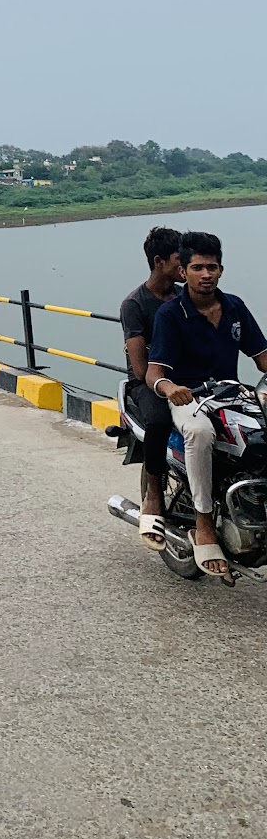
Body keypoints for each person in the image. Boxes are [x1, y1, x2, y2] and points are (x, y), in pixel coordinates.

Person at [146, 231, 267, 580]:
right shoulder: (171, 314)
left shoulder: (234, 307)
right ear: (183, 271)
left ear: (221, 270)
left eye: (211, 267)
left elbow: (261, 357)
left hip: (231, 394)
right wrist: (171, 389)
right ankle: (203, 524)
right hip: (191, 399)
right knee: (199, 433)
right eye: (197, 267)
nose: (206, 274)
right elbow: (155, 372)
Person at [118, 226, 181, 549]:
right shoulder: (135, 304)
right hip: (148, 383)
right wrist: (166, 383)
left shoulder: (188, 296)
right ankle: (154, 494)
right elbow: (141, 369)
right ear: (159, 262)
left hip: (189, 378)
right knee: (159, 420)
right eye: (179, 259)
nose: (186, 266)